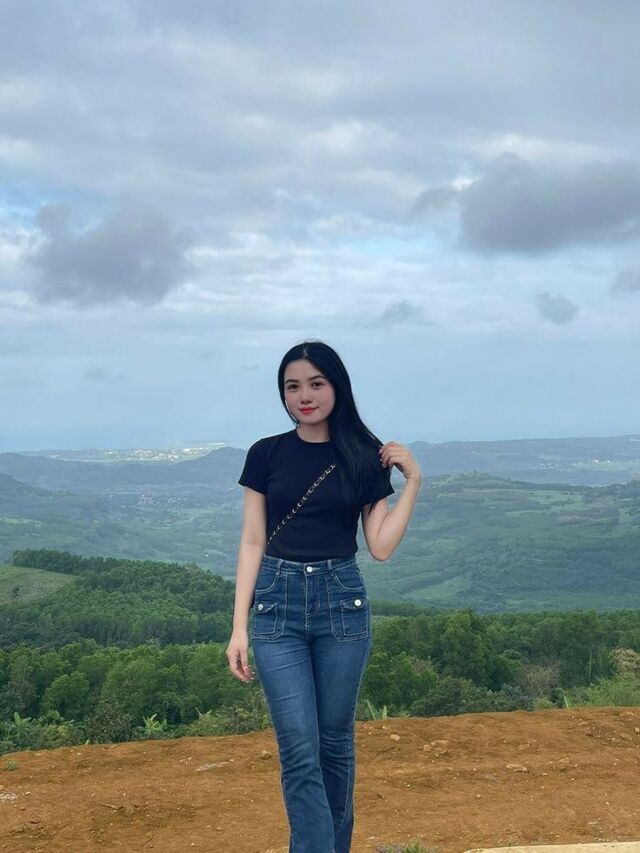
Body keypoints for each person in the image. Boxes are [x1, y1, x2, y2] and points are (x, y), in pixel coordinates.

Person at [226, 339, 422, 853]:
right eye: (293, 386)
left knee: (334, 746)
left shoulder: (362, 455)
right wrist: (239, 627)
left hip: (341, 605)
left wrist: (413, 483)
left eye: (316, 383)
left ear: (337, 386)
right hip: (276, 607)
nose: (304, 396)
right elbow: (252, 541)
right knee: (299, 750)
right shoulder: (265, 454)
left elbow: (380, 546)